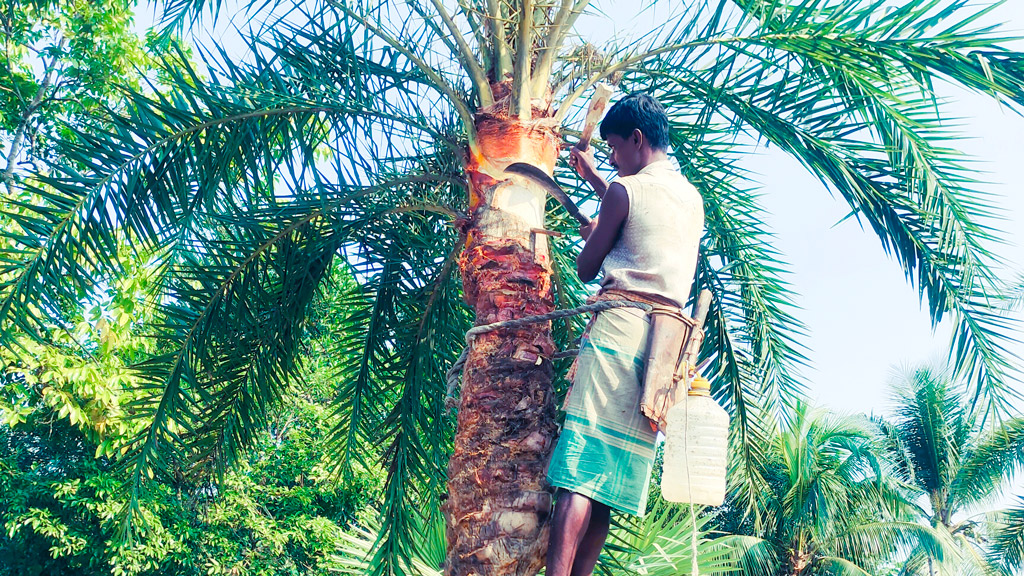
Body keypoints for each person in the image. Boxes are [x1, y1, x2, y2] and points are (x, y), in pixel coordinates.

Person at [545, 92, 704, 576]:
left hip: (619, 333)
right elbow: (644, 226)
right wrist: (597, 179)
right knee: (609, 480)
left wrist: (597, 229)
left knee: (578, 473)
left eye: (614, 149)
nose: (611, 159)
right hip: (663, 350)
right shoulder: (690, 197)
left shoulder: (623, 191)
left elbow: (588, 265)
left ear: (637, 139)